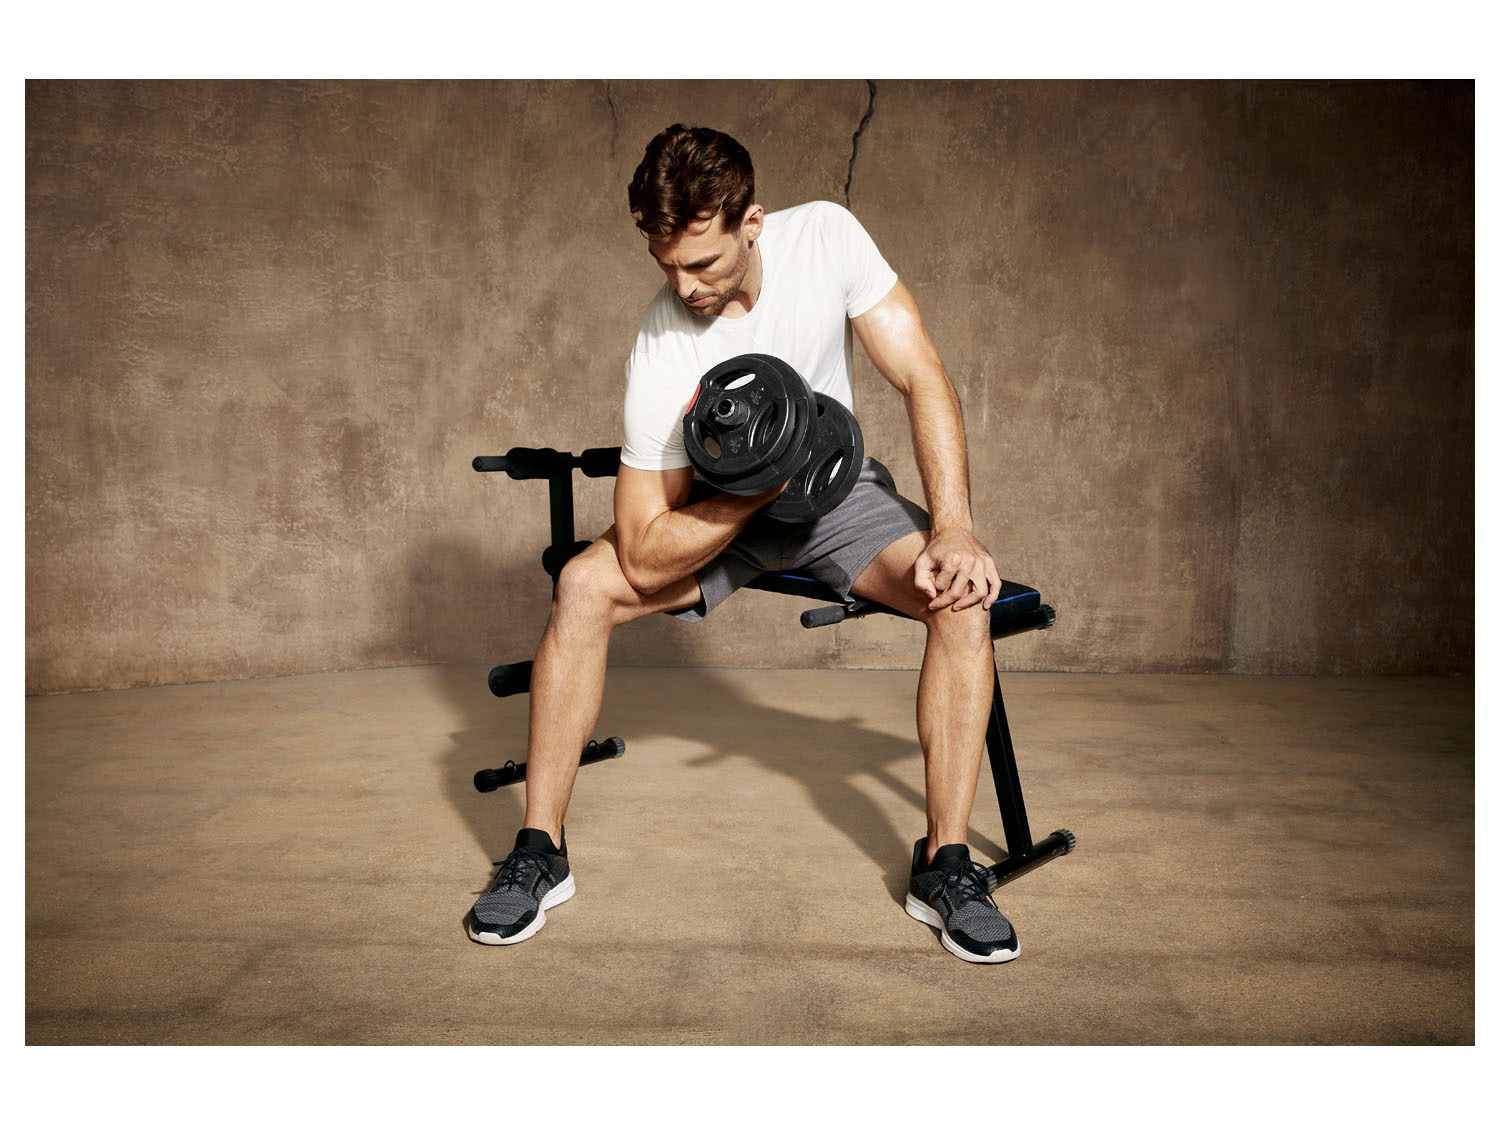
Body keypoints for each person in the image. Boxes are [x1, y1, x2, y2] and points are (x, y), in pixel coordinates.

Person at [466, 124, 1018, 964]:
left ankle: (945, 864)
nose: (684, 287)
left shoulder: (826, 237)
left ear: (752, 222)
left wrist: (953, 528)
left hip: (837, 497)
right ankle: (540, 850)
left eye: (703, 264)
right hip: (720, 512)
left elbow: (922, 375)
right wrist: (759, 486)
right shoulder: (661, 341)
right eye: (666, 266)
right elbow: (643, 552)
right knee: (583, 585)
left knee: (960, 596)